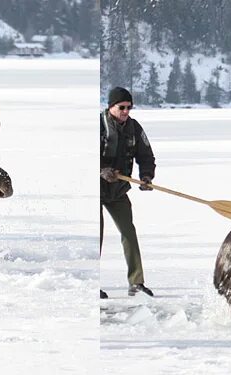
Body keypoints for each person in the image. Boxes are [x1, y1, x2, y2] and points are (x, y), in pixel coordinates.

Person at [100, 87, 156, 297]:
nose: (125, 111)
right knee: (98, 234)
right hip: (97, 189)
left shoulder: (134, 128)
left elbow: (146, 156)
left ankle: (137, 282)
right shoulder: (99, 125)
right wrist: (101, 170)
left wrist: (147, 176)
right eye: (121, 107)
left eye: (128, 108)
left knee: (129, 233)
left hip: (118, 190)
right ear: (111, 107)